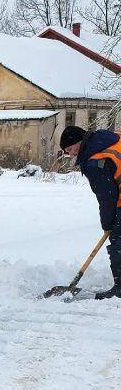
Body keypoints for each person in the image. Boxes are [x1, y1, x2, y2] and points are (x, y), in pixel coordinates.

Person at [60, 122, 121, 300]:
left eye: (70, 149)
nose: (70, 154)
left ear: (79, 142)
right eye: (66, 151)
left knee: (118, 240)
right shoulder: (108, 138)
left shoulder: (95, 161)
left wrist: (108, 223)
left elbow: (107, 196)